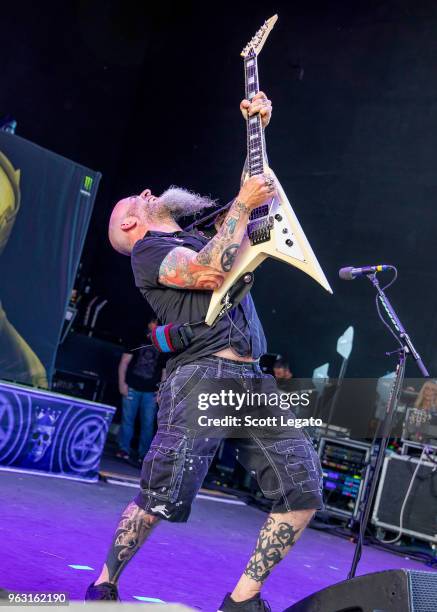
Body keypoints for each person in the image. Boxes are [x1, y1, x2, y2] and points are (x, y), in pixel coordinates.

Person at [85, 92, 323, 611]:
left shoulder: (196, 234)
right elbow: (211, 270)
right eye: (135, 201)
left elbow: (253, 208)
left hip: (254, 382)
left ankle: (243, 598)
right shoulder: (149, 254)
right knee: (160, 498)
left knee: (303, 489)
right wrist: (241, 201)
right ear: (129, 225)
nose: (146, 193)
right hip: (202, 378)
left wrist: (256, 129)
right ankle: (103, 585)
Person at [116, 318, 166, 463]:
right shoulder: (137, 340)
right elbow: (124, 363)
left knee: (148, 423)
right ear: (149, 324)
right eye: (154, 323)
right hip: (132, 386)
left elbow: (164, 371)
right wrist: (122, 383)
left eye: (159, 324)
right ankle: (123, 449)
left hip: (151, 391)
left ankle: (144, 454)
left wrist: (161, 392)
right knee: (127, 420)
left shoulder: (163, 346)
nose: (156, 326)